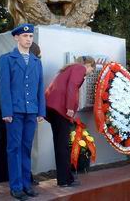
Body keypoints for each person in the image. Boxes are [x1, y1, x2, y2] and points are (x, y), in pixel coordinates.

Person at [0, 23, 45, 200]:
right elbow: (4, 87)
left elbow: (40, 87)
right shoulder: (7, 59)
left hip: (31, 111)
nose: (28, 39)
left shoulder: (36, 61)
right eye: (25, 36)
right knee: (14, 149)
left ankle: (26, 184)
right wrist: (7, 111)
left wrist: (41, 111)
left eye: (31, 36)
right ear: (16, 38)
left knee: (26, 148)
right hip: (15, 112)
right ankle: (16, 186)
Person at [0, 42, 41, 183]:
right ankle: (7, 177)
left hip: (6, 108)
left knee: (11, 143)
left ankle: (6, 176)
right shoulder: (11, 62)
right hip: (9, 109)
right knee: (12, 144)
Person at [45, 56, 96, 187]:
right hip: (60, 109)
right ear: (88, 64)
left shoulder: (69, 68)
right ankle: (65, 180)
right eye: (92, 69)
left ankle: (64, 178)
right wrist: (69, 107)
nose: (91, 72)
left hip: (51, 109)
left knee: (59, 144)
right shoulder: (79, 68)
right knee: (63, 145)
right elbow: (72, 86)